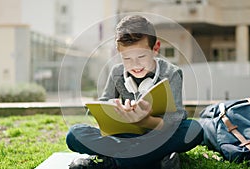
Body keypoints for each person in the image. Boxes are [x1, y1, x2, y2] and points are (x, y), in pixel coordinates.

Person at [66, 15, 203, 169]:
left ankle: (112, 162)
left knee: (193, 129)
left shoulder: (172, 73)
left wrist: (145, 121)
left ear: (156, 49)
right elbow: (103, 104)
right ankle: (153, 160)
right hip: (124, 136)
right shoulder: (116, 72)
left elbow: (176, 119)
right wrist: (114, 109)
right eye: (127, 58)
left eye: (142, 56)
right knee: (74, 134)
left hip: (158, 135)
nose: (135, 64)